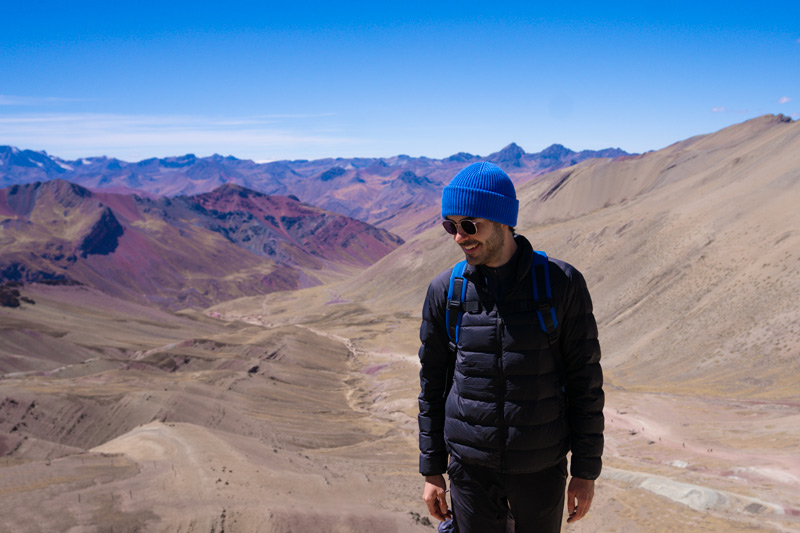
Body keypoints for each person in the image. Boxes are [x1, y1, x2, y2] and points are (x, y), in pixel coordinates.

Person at [418, 162, 604, 532]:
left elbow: (585, 383)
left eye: (470, 225)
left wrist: (585, 472)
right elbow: (432, 387)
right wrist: (432, 470)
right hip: (469, 473)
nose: (459, 237)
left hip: (541, 470)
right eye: (450, 226)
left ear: (503, 220)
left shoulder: (560, 284)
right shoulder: (446, 292)